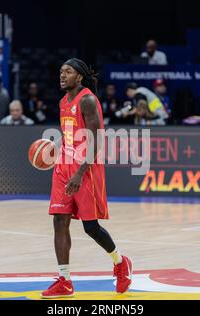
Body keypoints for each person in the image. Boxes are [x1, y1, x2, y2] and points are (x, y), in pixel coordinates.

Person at [41, 58, 132, 299]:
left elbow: (96, 140)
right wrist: (55, 148)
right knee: (59, 221)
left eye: (68, 72)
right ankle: (65, 280)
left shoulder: (88, 100)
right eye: (60, 71)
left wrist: (80, 174)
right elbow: (71, 136)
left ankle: (120, 262)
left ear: (79, 76)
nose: (62, 75)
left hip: (86, 169)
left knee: (90, 227)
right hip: (63, 167)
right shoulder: (62, 102)